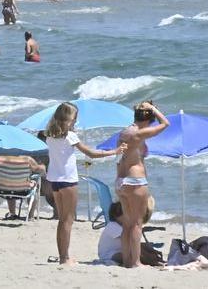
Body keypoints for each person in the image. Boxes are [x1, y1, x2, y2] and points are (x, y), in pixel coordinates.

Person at [43, 102, 123, 266]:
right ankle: (65, 259)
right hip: (68, 180)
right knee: (68, 220)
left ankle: (62, 256)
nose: (75, 122)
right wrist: (115, 151)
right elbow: (91, 154)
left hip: (55, 180)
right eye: (74, 119)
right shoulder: (70, 136)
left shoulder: (49, 135)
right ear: (67, 118)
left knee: (62, 220)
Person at [116, 101, 169, 268]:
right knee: (137, 223)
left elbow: (119, 159)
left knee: (127, 223)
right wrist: (153, 108)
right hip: (135, 180)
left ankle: (127, 261)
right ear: (148, 119)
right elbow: (166, 123)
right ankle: (136, 262)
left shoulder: (125, 132)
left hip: (121, 180)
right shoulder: (139, 133)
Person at [98, 198, 154, 265]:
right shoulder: (112, 225)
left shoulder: (122, 226)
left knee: (142, 248)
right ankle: (148, 261)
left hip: (120, 250)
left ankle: (151, 259)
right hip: (109, 254)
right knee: (135, 253)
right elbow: (128, 239)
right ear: (117, 216)